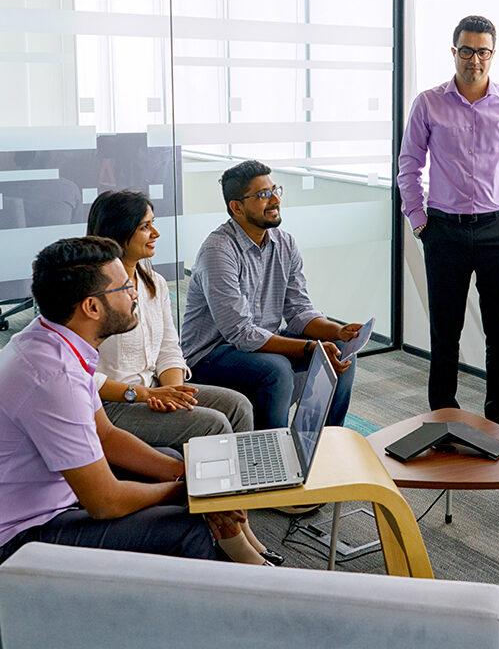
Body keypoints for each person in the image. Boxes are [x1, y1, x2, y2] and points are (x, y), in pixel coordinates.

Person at [0, 237, 269, 565]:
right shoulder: (54, 378)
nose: (134, 293)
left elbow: (106, 435)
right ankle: (225, 603)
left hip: (51, 497)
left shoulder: (52, 340)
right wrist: (187, 492)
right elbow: (104, 502)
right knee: (186, 530)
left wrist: (182, 473)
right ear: (92, 307)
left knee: (167, 460)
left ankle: (243, 570)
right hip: (19, 534)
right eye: (125, 287)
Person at [398, 15, 499, 427]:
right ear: (453, 52)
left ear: (492, 55)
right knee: (445, 335)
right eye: (466, 50)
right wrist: (419, 220)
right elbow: (409, 165)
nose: (474, 59)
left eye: (483, 51)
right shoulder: (428, 103)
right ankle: (442, 420)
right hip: (444, 231)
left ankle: (498, 424)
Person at [181, 160, 361, 429]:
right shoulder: (218, 251)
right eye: (263, 195)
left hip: (262, 343)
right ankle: (273, 456)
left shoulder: (284, 243)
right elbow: (240, 333)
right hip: (211, 354)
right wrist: (310, 347)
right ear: (237, 207)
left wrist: (337, 332)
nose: (274, 199)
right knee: (276, 369)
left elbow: (299, 311)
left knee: (343, 350)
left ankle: (325, 441)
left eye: (275, 190)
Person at [87, 190, 255, 449]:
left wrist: (173, 394)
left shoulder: (155, 284)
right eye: (146, 227)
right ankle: (215, 488)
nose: (156, 233)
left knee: (239, 406)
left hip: (153, 389)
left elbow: (168, 349)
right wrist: (147, 395)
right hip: (108, 403)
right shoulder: (91, 295)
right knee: (214, 424)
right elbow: (80, 374)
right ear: (120, 231)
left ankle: (251, 484)